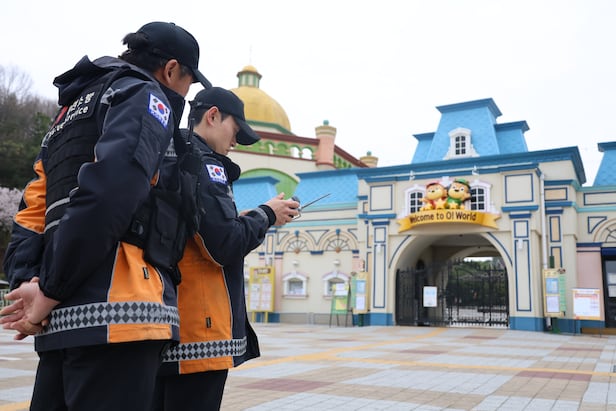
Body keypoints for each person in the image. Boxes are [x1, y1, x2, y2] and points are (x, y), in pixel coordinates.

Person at [0, 22, 211, 411]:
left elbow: (32, 210)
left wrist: (29, 283)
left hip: (60, 320)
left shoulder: (67, 114)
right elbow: (110, 192)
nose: (185, 93)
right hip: (121, 315)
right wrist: (49, 291)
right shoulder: (145, 95)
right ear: (170, 70)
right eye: (188, 82)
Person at [152, 87, 300, 411]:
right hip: (199, 330)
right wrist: (266, 215)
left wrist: (242, 218)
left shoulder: (168, 153)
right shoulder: (204, 164)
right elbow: (225, 244)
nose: (235, 142)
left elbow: (194, 229)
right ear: (213, 116)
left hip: (163, 323)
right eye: (235, 130)